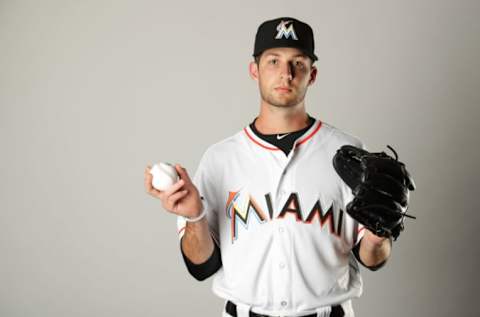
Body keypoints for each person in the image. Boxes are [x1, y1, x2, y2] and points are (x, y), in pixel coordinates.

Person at [145, 17, 392, 317]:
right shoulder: (220, 158)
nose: (285, 74)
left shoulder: (349, 155)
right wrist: (194, 215)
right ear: (255, 70)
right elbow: (202, 266)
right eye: (273, 61)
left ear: (312, 75)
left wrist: (379, 236)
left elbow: (371, 259)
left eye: (297, 63)